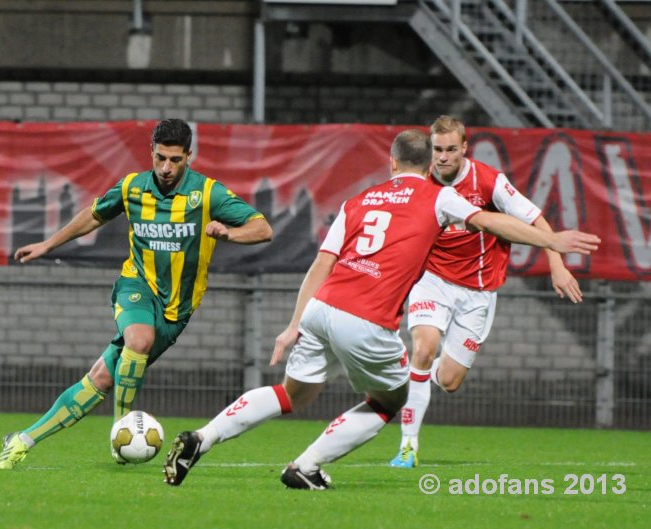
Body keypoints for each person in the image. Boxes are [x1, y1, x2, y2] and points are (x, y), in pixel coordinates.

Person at [162, 129, 599, 489]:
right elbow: (489, 221)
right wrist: (550, 241)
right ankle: (305, 467)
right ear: (428, 164)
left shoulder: (359, 201)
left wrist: (294, 324)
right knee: (394, 398)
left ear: (390, 163)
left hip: (321, 307)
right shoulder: (438, 197)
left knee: (290, 394)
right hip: (366, 319)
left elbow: (321, 263)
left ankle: (203, 436)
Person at [0, 118, 273, 469]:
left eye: (175, 160)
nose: (167, 167)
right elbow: (95, 215)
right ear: (151, 153)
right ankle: (121, 430)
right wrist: (49, 244)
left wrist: (230, 234)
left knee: (100, 379)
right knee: (138, 340)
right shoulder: (132, 187)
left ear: (190, 156)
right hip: (136, 285)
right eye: (160, 158)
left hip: (176, 310)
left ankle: (22, 440)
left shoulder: (208, 193)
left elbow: (262, 229)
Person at [388, 115, 585, 468]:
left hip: (478, 292)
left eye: (451, 149)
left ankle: (417, 377)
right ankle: (408, 447)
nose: (443, 157)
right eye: (437, 150)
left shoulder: (489, 181)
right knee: (423, 347)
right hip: (432, 280)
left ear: (464, 148)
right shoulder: (419, 181)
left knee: (448, 381)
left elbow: (535, 220)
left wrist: (556, 263)